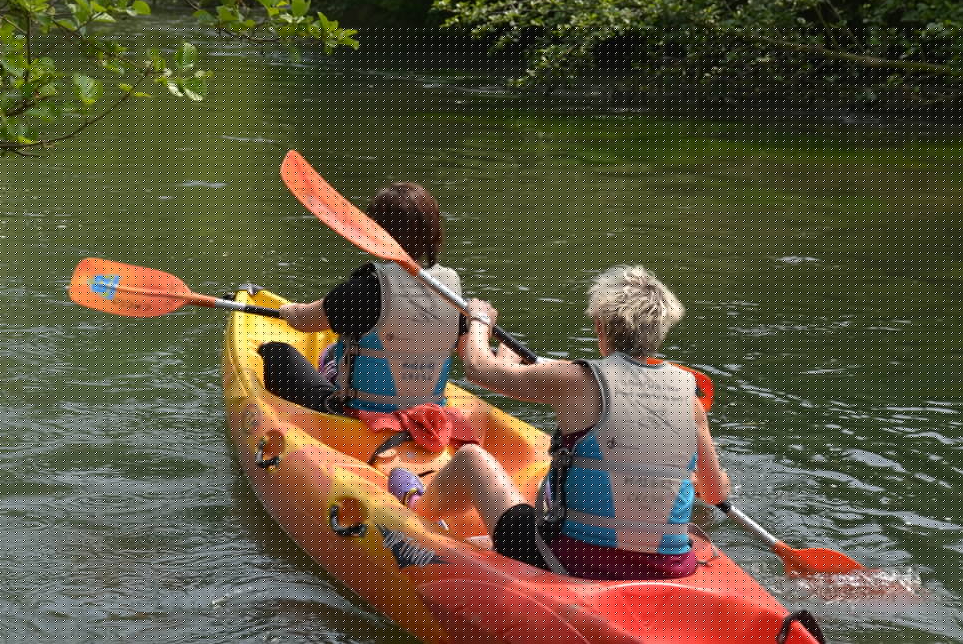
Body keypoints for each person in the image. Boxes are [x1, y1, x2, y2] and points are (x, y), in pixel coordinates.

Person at [388, 265, 731, 580]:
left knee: (471, 460)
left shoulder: (577, 380)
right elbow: (715, 494)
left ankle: (419, 513)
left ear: (600, 326)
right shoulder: (689, 399)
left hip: (574, 563)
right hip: (670, 568)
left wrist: (479, 322)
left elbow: (477, 369)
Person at [258, 182, 475, 450]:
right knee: (335, 351)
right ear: (434, 234)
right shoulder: (452, 289)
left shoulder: (368, 287)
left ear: (373, 233)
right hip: (430, 416)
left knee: (278, 354)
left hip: (362, 421)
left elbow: (306, 321)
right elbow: (470, 357)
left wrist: (288, 311)